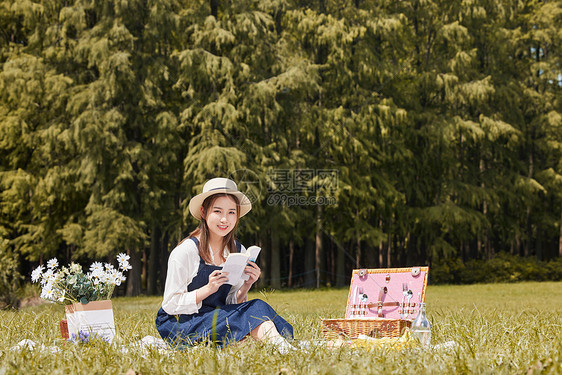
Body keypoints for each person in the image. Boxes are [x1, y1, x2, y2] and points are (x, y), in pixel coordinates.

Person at [155, 177, 294, 351]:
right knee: (256, 309)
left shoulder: (238, 249)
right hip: (183, 323)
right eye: (218, 211)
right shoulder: (186, 252)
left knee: (256, 307)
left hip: (218, 317)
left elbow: (230, 302)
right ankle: (283, 346)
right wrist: (207, 289)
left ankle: (281, 345)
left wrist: (246, 285)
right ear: (204, 212)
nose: (224, 219)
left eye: (231, 212)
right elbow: (170, 304)